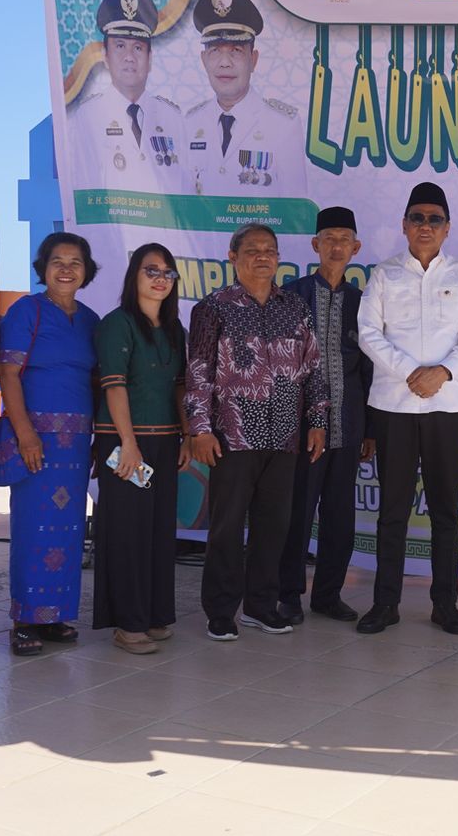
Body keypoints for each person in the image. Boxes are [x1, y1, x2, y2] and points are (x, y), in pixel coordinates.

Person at [356, 181, 458, 635]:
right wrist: (412, 371)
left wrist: (443, 372)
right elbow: (369, 333)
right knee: (392, 510)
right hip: (393, 405)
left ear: (447, 228)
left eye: (434, 219)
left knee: (445, 511)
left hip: (447, 407)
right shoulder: (384, 274)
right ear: (404, 225)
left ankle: (445, 604)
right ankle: (385, 603)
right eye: (417, 218)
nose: (425, 225)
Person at [187, 223, 327, 641]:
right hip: (231, 434)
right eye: (252, 250)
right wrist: (200, 429)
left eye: (270, 249)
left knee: (274, 525)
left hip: (284, 434)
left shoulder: (295, 308)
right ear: (233, 257)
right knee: (227, 527)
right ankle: (220, 610)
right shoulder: (213, 308)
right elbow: (198, 373)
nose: (262, 256)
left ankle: (261, 606)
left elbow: (313, 368)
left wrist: (318, 422)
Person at [0, 232, 102, 656]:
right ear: (43, 267)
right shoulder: (27, 311)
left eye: (75, 262)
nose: (66, 269)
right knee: (32, 528)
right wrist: (25, 434)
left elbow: (97, 381)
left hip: (76, 443)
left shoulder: (92, 320)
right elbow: (8, 373)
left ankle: (55, 615)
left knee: (69, 529)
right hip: (36, 438)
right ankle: (25, 619)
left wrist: (97, 439)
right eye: (57, 260)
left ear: (86, 271)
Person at [277, 207, 373, 625]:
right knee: (296, 512)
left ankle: (328, 595)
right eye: (329, 239)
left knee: (340, 513)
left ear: (356, 247)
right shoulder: (291, 295)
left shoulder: (363, 303)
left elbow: (369, 368)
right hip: (300, 428)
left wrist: (370, 430)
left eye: (344, 239)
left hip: (348, 425)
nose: (337, 246)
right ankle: (288, 594)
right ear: (315, 245)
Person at [92, 243, 186, 655]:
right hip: (124, 440)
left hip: (165, 440)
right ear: (133, 275)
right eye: (152, 270)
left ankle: (154, 614)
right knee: (127, 531)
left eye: (168, 272)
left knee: (159, 531)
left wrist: (186, 435)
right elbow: (114, 386)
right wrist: (128, 444)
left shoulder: (175, 329)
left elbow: (180, 386)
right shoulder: (118, 324)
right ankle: (128, 624)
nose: (161, 279)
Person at [181, 0, 307, 199]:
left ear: (253, 60)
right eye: (215, 51)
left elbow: (295, 210)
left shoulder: (283, 125)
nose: (224, 63)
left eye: (236, 51)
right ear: (204, 60)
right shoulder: (189, 123)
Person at [67, 0, 183, 195]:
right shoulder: (88, 116)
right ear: (105, 55)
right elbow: (82, 191)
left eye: (137, 47)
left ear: (150, 58)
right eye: (120, 46)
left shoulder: (172, 118)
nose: (129, 57)